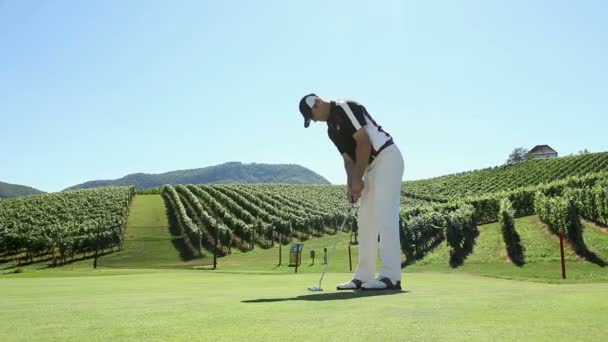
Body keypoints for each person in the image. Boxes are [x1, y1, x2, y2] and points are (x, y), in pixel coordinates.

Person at [298, 93, 405, 290]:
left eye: (312, 116)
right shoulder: (331, 130)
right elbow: (349, 160)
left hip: (387, 158)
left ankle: (391, 276)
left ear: (317, 103)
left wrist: (358, 179)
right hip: (370, 167)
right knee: (365, 221)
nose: (314, 120)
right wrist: (351, 184)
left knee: (385, 215)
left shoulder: (344, 107)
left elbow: (363, 141)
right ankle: (363, 276)